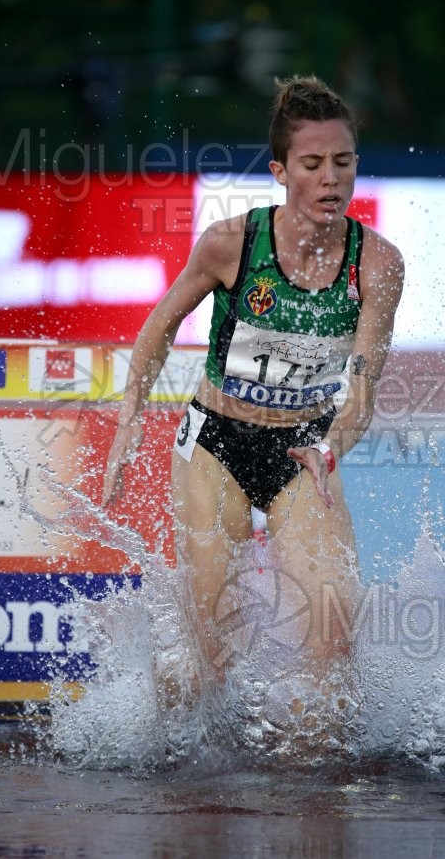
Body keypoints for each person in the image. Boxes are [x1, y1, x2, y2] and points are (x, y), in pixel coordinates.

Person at [102, 75, 404, 673]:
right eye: (312, 164)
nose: (330, 179)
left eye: (343, 162)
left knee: (333, 644)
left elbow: (362, 391)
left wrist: (332, 447)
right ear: (280, 172)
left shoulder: (377, 264)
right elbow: (158, 328)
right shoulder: (231, 245)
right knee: (212, 655)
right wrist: (129, 417)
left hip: (304, 453)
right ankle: (170, 741)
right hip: (214, 446)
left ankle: (314, 760)